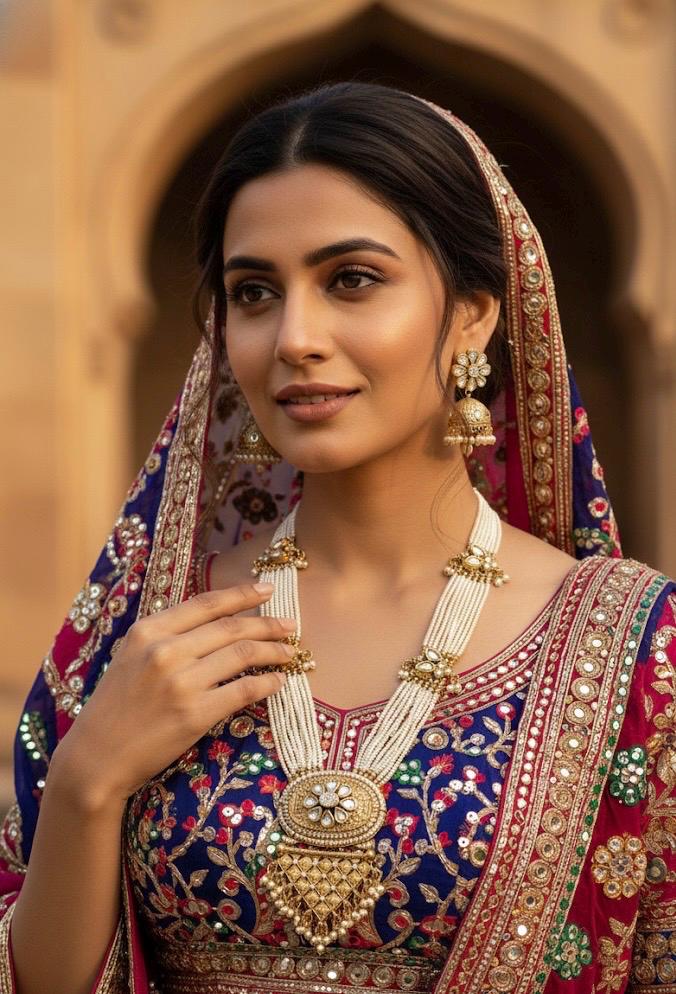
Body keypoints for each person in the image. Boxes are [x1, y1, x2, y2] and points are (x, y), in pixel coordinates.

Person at [1, 81, 673, 994]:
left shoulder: (639, 651)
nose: (296, 337)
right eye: (253, 293)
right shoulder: (149, 633)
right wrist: (85, 784)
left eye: (352, 280)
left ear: (473, 312)